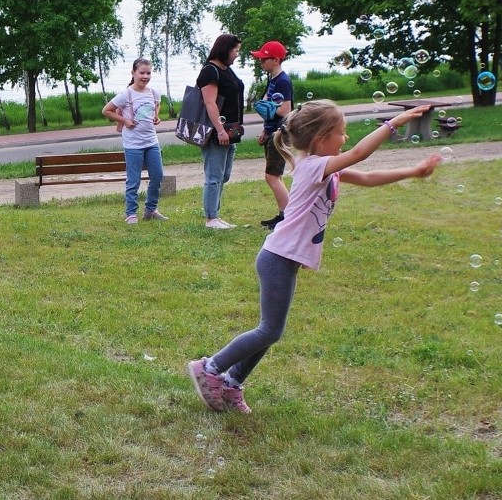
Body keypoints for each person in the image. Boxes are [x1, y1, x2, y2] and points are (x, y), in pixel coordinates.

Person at [186, 100, 442, 413]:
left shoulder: (325, 167)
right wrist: (394, 123)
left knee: (272, 329)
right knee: (269, 329)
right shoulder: (313, 166)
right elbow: (361, 153)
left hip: (285, 258)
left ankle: (232, 383)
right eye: (341, 133)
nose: (345, 139)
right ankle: (210, 369)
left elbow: (368, 175)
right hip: (277, 257)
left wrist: (414, 171)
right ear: (320, 140)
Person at [101, 57, 168, 224]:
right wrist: (125, 121)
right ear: (133, 73)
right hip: (133, 144)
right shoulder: (126, 94)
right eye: (142, 73)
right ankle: (131, 213)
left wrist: (156, 116)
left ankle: (151, 210)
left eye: (148, 73)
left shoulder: (154, 93)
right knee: (134, 179)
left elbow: (157, 104)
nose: (145, 76)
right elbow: (106, 110)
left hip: (151, 141)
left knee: (158, 176)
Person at [196, 34, 245, 229]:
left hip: (231, 129)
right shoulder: (210, 71)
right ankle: (211, 218)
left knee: (224, 175)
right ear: (225, 49)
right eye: (236, 50)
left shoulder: (227, 70)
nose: (237, 55)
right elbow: (209, 102)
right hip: (217, 131)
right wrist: (220, 130)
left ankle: (215, 214)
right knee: (214, 176)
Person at [251, 40, 293, 230]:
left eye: (264, 59)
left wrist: (265, 110)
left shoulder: (283, 81)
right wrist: (264, 130)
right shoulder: (273, 80)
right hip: (272, 131)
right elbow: (272, 107)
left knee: (272, 176)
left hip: (281, 132)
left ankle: (288, 217)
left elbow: (285, 110)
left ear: (275, 60)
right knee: (275, 175)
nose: (261, 63)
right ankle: (283, 213)